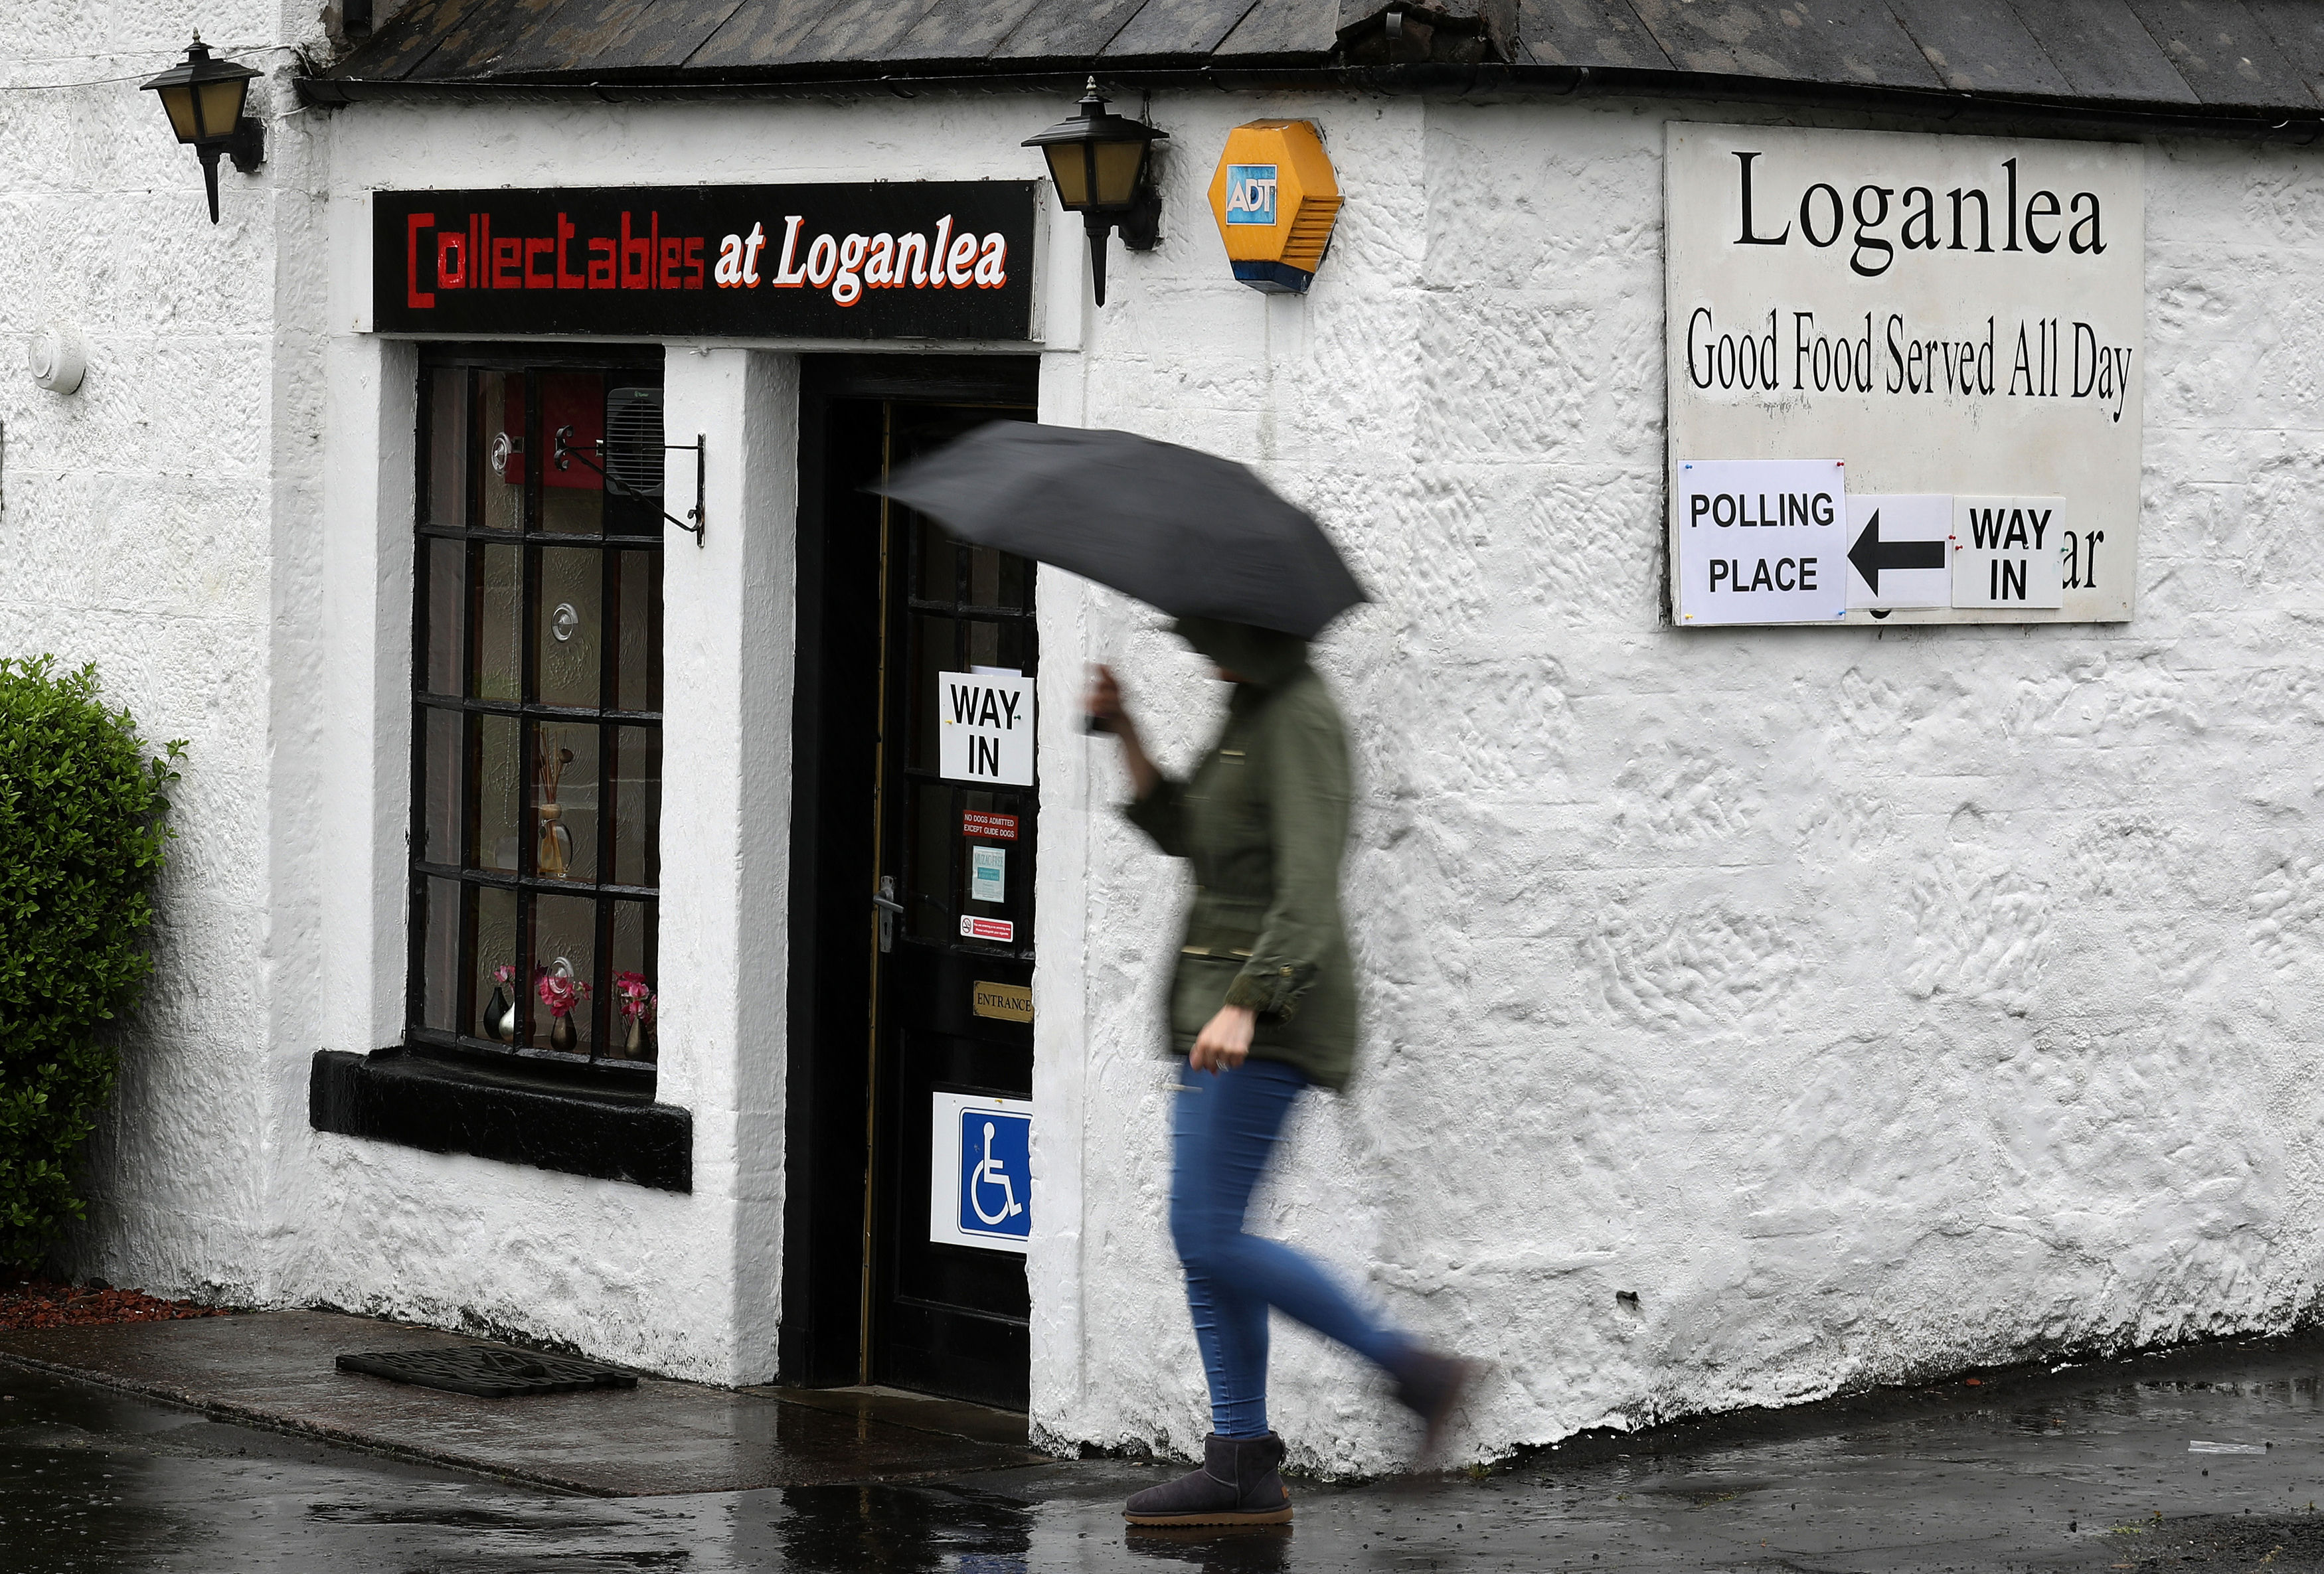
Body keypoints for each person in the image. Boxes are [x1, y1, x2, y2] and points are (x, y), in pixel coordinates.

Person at [1088, 616, 1474, 1530]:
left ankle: (1415, 1372)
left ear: (1256, 623)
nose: (1192, 640)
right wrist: (1128, 730)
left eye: (1208, 627)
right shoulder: (1249, 708)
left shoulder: (1300, 717)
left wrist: (1248, 999)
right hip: (1213, 1014)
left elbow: (1310, 885)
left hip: (1267, 1014)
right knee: (1207, 1239)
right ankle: (1238, 1462)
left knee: (1208, 1232)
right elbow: (1188, 829)